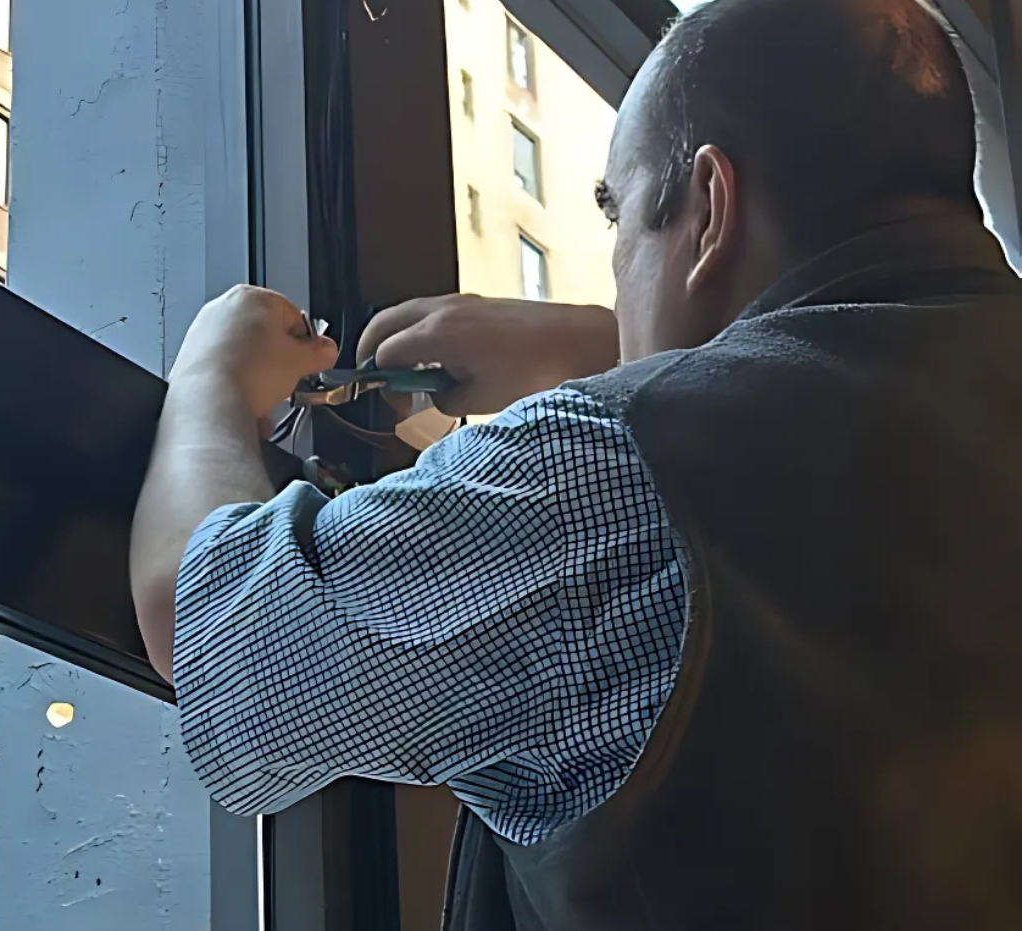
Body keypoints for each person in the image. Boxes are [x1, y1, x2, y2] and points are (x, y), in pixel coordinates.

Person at [130, 0, 1022, 926]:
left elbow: (213, 636)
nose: (616, 270)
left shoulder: (606, 468)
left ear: (711, 208)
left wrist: (211, 378)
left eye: (621, 220)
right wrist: (605, 347)